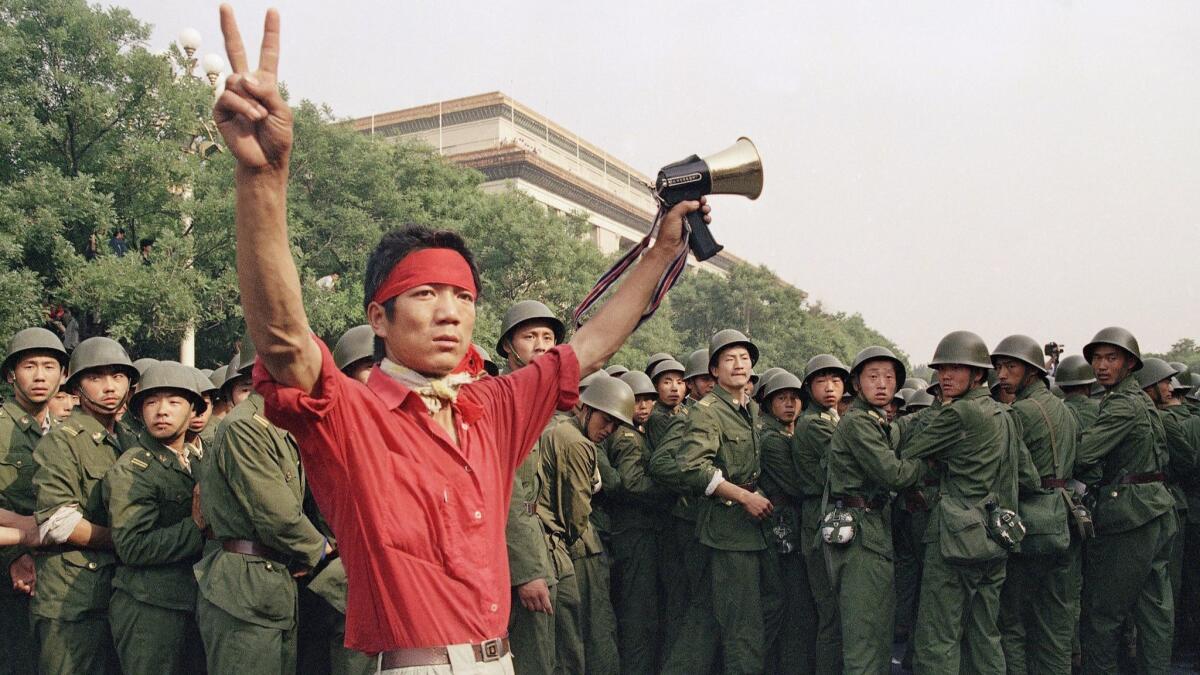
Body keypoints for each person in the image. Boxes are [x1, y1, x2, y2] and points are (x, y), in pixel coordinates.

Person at [212, 6, 708, 672]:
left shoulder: (494, 407)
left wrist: (659, 251)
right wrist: (264, 182)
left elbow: (591, 348)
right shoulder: (347, 416)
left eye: (464, 297)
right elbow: (282, 338)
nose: (450, 312)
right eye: (424, 294)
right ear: (378, 318)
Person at [899, 331, 1038, 674]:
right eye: (942, 369)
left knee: (938, 638)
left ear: (978, 375)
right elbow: (1028, 477)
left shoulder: (959, 414)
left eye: (956, 369)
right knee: (984, 635)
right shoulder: (1005, 415)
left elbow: (908, 454)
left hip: (955, 539)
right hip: (996, 537)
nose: (945, 376)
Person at [194, 333, 331, 674]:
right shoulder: (247, 429)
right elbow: (279, 518)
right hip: (245, 592)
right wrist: (324, 552)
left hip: (268, 585)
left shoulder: (279, 425)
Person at [663, 329, 783, 675]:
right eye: (729, 359)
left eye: (744, 358)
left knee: (751, 610)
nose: (739, 364)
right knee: (742, 628)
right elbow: (692, 468)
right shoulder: (707, 410)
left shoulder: (749, 408)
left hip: (753, 527)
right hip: (727, 530)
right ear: (714, 370)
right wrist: (744, 495)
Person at [31, 336, 140, 674]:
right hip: (72, 602)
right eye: (96, 377)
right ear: (76, 386)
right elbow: (58, 522)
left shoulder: (130, 440)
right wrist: (127, 541)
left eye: (118, 376)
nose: (109, 386)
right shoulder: (63, 441)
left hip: (119, 595)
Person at [1072, 328, 1177, 674]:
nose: (1101, 366)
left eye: (1111, 358)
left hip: (1130, 514)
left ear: (1130, 363)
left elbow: (1085, 454)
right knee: (1154, 610)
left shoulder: (1120, 403)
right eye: (1097, 358)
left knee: (1104, 613)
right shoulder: (1142, 401)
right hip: (1157, 509)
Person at [824, 346, 927, 674]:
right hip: (861, 533)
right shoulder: (859, 423)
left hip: (871, 527)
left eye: (889, 377)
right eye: (872, 377)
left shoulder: (874, 420)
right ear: (856, 383)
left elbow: (898, 431)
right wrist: (927, 465)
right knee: (866, 635)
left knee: (877, 629)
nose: (882, 383)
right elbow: (893, 473)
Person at [102, 362, 208, 675]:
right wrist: (195, 527)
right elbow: (132, 546)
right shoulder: (134, 470)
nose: (161, 411)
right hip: (149, 608)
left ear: (192, 411)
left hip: (193, 603)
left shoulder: (199, 461)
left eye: (174, 402)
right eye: (151, 402)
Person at [991, 334, 1081, 675]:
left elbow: (1019, 475)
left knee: (1012, 622)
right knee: (1056, 624)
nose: (1001, 373)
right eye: (999, 366)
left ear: (1031, 371)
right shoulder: (1066, 411)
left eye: (1010, 366)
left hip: (1031, 522)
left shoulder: (1017, 413)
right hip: (1064, 519)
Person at [535, 375, 630, 674]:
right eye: (605, 420)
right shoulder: (577, 442)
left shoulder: (554, 429)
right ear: (585, 407)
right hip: (574, 547)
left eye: (615, 425)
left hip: (551, 546)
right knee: (596, 629)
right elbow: (576, 514)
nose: (608, 430)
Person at [495, 299, 568, 675]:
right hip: (511, 558)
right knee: (530, 659)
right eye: (529, 336)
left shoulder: (543, 401)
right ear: (508, 345)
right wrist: (527, 571)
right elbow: (506, 493)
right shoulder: (498, 398)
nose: (541, 345)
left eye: (548, 336)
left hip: (542, 547)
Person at [0, 327, 69, 675]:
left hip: (60, 578)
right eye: (29, 366)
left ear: (64, 374)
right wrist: (15, 554)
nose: (40, 376)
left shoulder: (66, 433)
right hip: (7, 577)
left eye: (49, 366)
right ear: (12, 374)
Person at [605, 370, 673, 675]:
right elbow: (632, 483)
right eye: (637, 400)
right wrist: (669, 490)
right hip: (635, 533)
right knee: (638, 614)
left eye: (648, 400)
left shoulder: (637, 432)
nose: (644, 406)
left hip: (639, 531)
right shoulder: (629, 437)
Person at [791, 354, 849, 675]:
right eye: (822, 381)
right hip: (819, 515)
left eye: (836, 380)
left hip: (830, 513)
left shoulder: (832, 419)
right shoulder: (814, 424)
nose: (830, 387)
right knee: (831, 615)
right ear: (809, 387)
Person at [755, 370, 815, 673]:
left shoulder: (791, 434)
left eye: (795, 399)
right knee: (792, 602)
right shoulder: (772, 441)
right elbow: (797, 484)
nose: (790, 404)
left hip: (793, 520)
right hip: (783, 525)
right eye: (782, 399)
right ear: (768, 404)